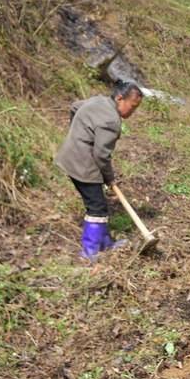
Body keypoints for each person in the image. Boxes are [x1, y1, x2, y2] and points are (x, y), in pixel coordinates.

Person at [55, 81, 143, 259]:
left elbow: (75, 107)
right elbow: (102, 155)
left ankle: (105, 242)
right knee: (96, 208)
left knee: (101, 205)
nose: (132, 112)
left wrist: (78, 133)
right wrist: (110, 178)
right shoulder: (111, 121)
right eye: (132, 107)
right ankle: (90, 252)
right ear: (120, 98)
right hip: (82, 165)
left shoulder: (99, 101)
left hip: (69, 156)